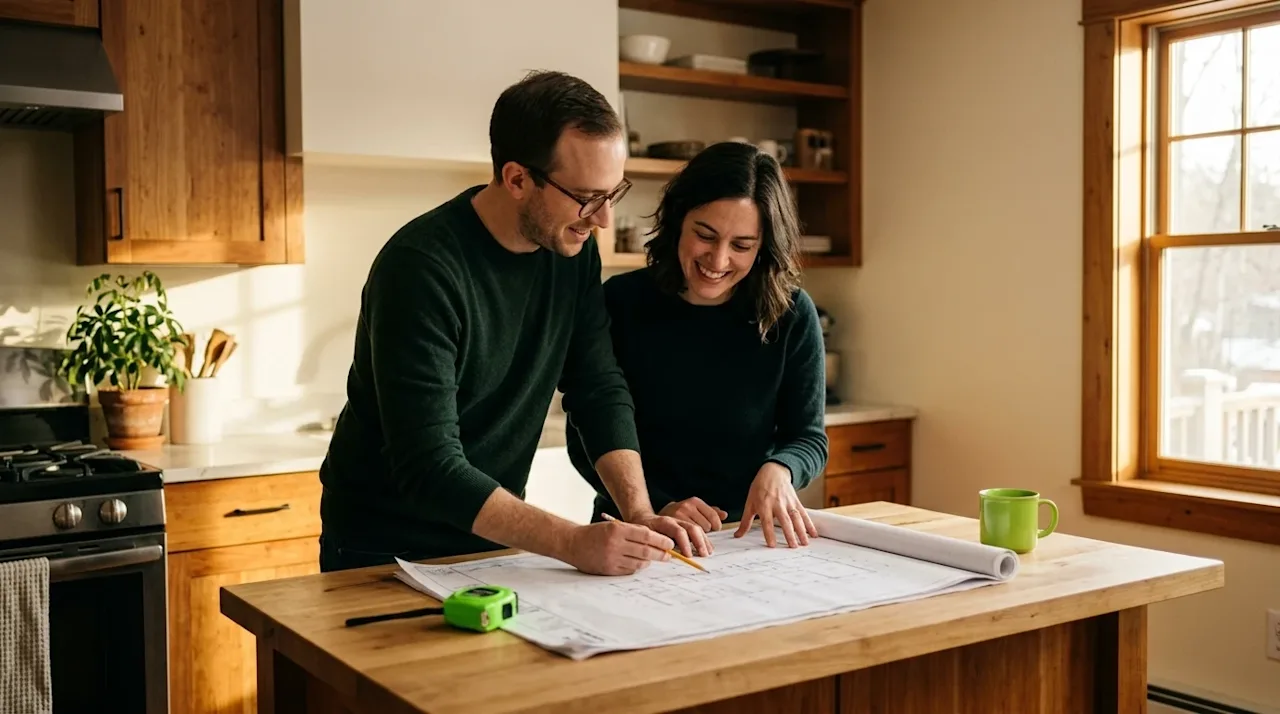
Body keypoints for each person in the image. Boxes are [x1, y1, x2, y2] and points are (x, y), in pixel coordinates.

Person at [317, 70, 710, 574]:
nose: (604, 219)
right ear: (517, 178)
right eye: (588, 197)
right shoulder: (420, 268)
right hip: (382, 547)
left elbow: (596, 387)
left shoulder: (572, 251)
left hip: (489, 538)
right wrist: (571, 542)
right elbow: (429, 467)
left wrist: (640, 512)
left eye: (612, 195)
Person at [566, 141, 829, 549]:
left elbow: (808, 438)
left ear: (763, 248)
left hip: (743, 541)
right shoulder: (620, 302)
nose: (719, 260)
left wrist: (782, 468)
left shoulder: (791, 314)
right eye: (705, 235)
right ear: (677, 221)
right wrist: (653, 507)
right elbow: (586, 437)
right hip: (635, 532)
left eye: (742, 245)